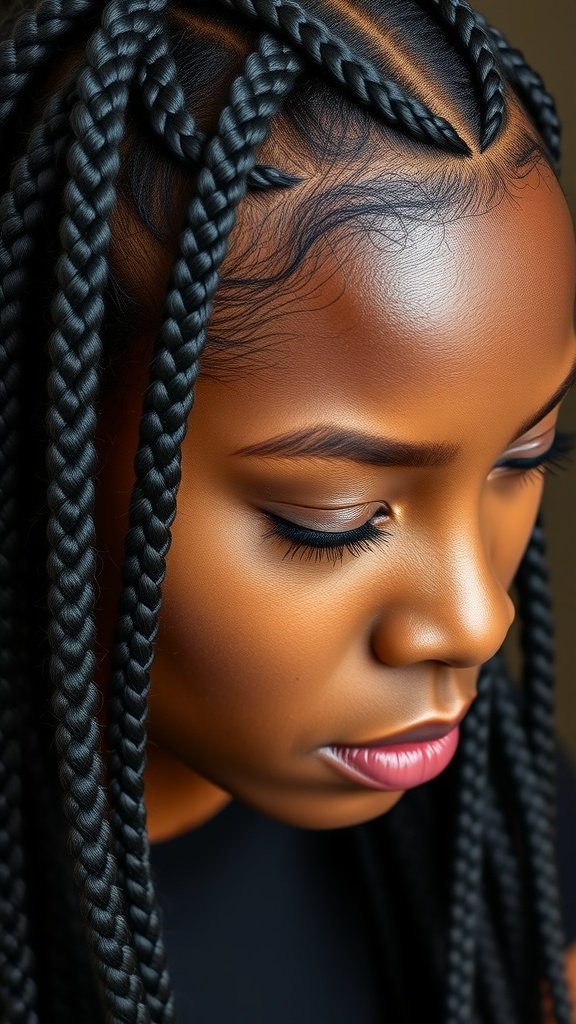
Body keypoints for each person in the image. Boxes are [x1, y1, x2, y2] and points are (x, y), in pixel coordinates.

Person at [0, 0, 575, 1020]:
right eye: (334, 517)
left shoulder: (516, 860)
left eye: (527, 454)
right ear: (43, 450)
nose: (477, 621)